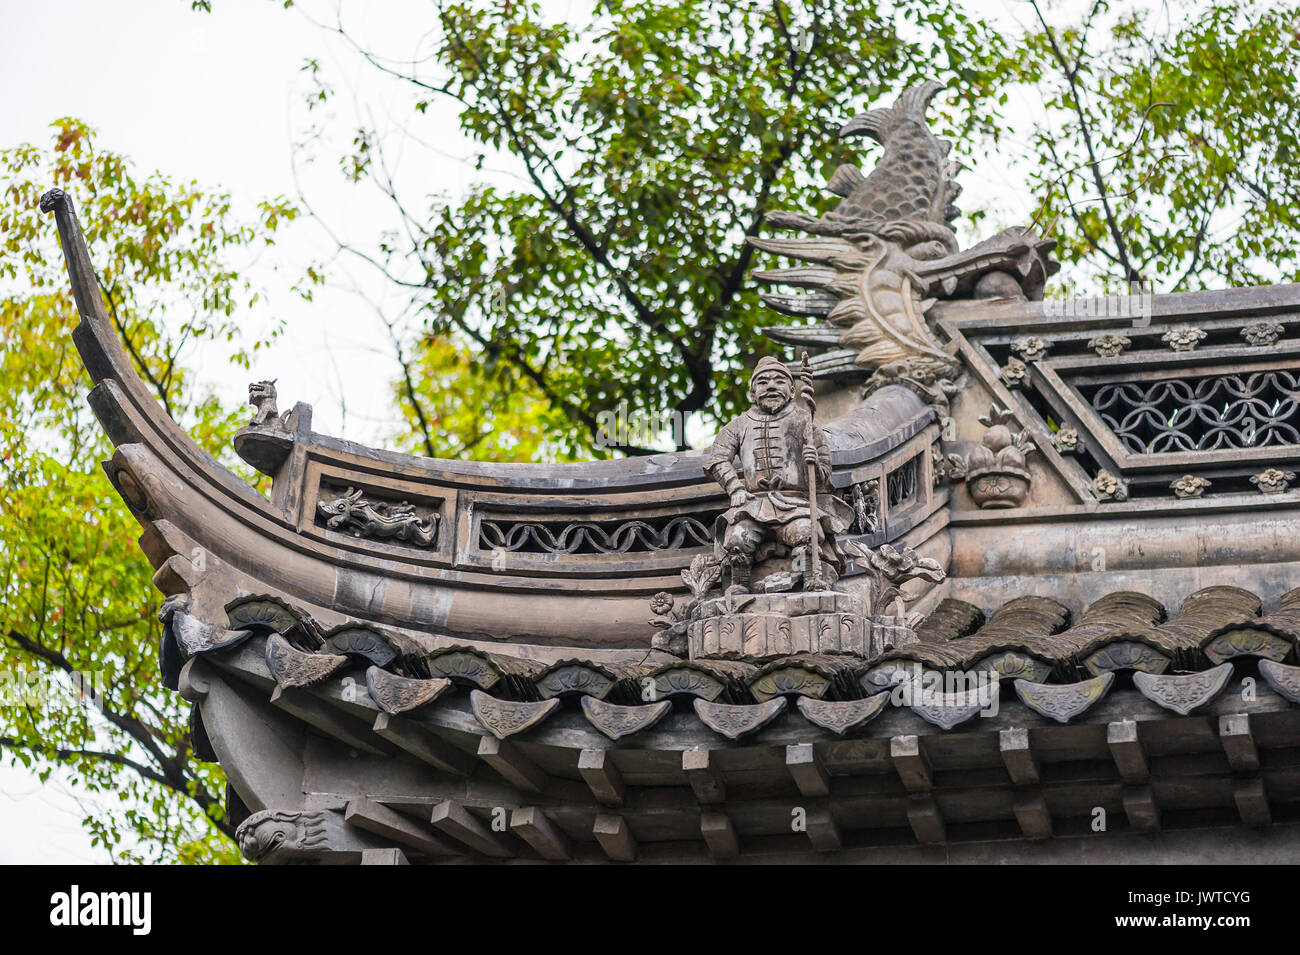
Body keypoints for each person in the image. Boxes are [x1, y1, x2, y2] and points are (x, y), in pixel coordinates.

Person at [705, 356, 852, 592]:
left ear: (792, 390)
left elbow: (824, 476)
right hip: (753, 505)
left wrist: (812, 464)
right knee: (737, 538)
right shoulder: (738, 425)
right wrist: (735, 488)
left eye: (779, 381)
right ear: (752, 393)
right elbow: (717, 459)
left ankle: (809, 578)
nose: (771, 386)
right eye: (762, 382)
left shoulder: (806, 422)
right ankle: (739, 585)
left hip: (796, 503)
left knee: (806, 534)